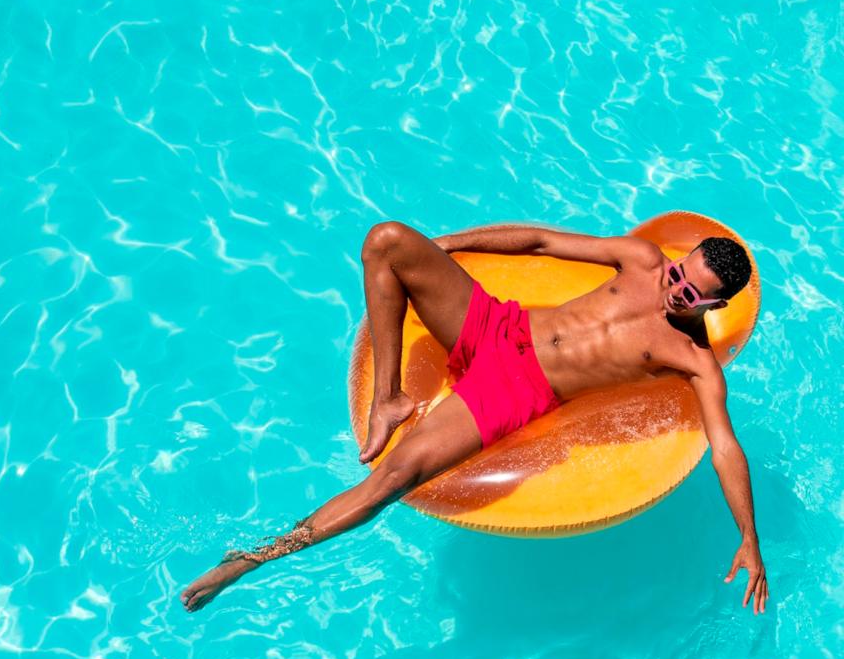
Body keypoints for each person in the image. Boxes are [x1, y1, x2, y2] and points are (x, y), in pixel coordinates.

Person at [180, 220, 770, 614]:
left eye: (692, 296)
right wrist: (449, 248)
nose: (674, 292)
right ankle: (389, 396)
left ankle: (246, 561)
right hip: (496, 327)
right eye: (677, 275)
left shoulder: (693, 361)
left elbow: (725, 448)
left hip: (515, 392)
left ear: (715, 307)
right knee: (386, 241)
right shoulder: (640, 259)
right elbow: (539, 243)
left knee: (390, 481)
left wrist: (748, 538)